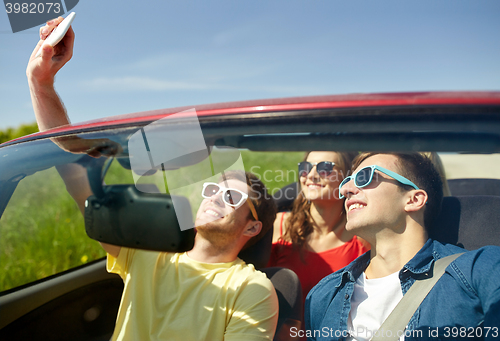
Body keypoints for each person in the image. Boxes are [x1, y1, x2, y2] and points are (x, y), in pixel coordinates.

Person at [27, 17, 279, 341]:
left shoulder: (252, 288)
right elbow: (72, 166)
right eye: (214, 188)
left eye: (231, 197)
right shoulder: (149, 252)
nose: (215, 196)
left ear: (252, 227)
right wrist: (40, 83)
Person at [305, 152, 500, 340]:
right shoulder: (323, 296)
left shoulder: (481, 269)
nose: (347, 190)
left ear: (414, 199)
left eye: (365, 177)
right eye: (347, 182)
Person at [268, 151, 369, 304]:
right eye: (305, 167)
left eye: (325, 168)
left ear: (348, 177)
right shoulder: (277, 226)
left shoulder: (363, 237)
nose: (311, 175)